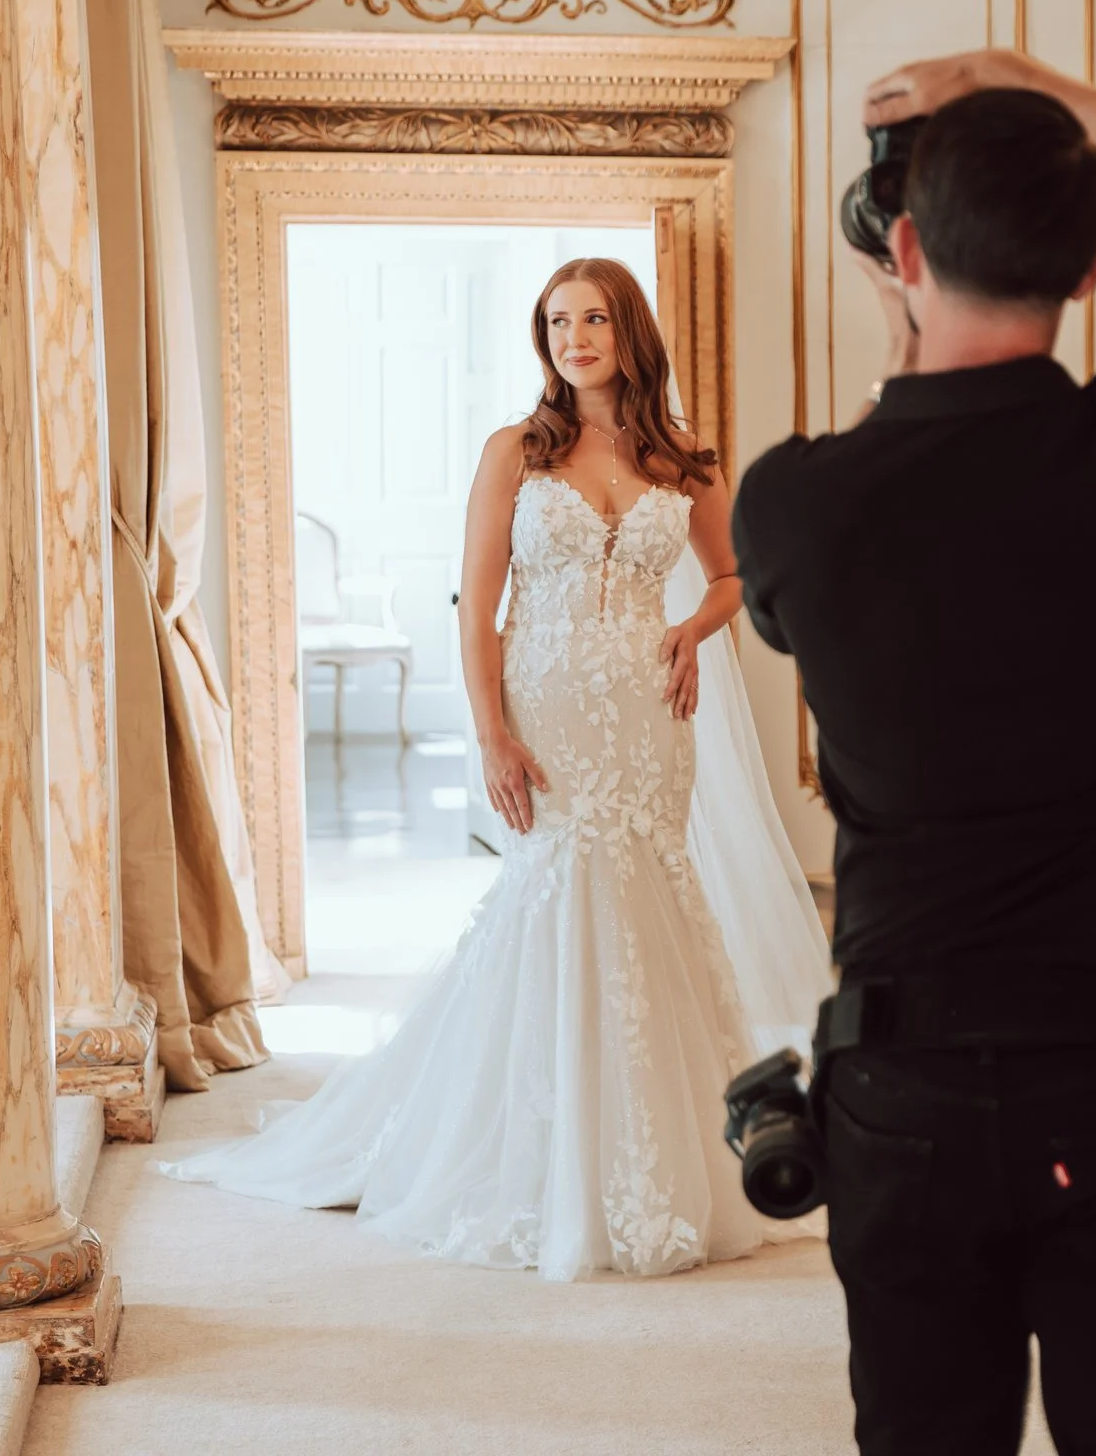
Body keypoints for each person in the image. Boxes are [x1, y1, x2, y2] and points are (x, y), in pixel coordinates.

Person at [731, 52, 1096, 1452]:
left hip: (906, 1098)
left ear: (900, 249)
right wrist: (1010, 78)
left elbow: (883, 488)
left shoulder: (795, 505)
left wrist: (907, 322)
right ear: (1093, 269)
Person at [162, 258, 834, 1281]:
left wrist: (696, 627)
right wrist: (491, 733)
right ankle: (540, 1151)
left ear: (628, 331)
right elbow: (476, 607)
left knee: (651, 891)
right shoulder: (516, 451)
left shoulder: (682, 457)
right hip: (547, 708)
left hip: (652, 713)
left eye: (595, 317)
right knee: (553, 893)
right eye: (557, 321)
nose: (575, 336)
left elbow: (738, 571)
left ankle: (669, 1155)